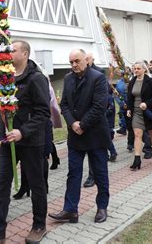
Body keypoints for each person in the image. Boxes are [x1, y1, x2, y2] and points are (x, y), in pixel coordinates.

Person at [0, 40, 50, 244]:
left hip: (30, 142)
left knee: (37, 185)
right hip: (7, 142)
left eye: (13, 49)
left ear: (25, 54)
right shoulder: (5, 79)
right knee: (1, 185)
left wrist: (23, 131)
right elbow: (3, 112)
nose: (9, 51)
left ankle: (39, 225)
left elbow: (43, 113)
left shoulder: (36, 78)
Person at [48, 49, 110, 224]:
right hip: (75, 136)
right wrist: (73, 123)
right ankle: (70, 210)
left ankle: (102, 207)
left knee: (100, 173)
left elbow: (99, 107)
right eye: (71, 62)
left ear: (86, 60)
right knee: (73, 173)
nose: (74, 65)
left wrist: (82, 124)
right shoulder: (68, 79)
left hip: (95, 134)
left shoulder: (98, 78)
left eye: (77, 61)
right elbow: (64, 104)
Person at [126, 61, 152, 170]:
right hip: (136, 111)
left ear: (144, 69)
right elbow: (129, 96)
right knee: (137, 134)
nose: (136, 70)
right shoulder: (132, 81)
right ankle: (137, 159)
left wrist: (147, 103)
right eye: (135, 68)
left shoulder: (150, 81)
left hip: (148, 111)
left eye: (138, 68)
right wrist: (129, 108)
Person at [82, 52, 105, 188]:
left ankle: (93, 175)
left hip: (95, 117)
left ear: (91, 60)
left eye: (87, 59)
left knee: (94, 150)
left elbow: (102, 98)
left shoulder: (99, 73)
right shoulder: (74, 75)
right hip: (81, 118)